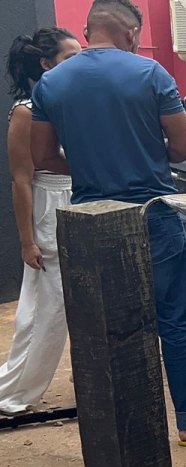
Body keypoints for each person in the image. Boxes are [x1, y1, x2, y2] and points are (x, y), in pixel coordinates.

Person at [29, 0, 186, 446]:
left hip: (90, 220)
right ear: (130, 33)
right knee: (176, 322)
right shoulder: (151, 74)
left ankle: (119, 432)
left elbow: (43, 157)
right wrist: (140, 156)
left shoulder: (52, 82)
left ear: (87, 32)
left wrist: (90, 166)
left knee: (105, 326)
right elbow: (182, 149)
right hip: (152, 212)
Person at [0, 28, 81, 415]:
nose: (79, 63)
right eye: (69, 58)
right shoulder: (26, 112)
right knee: (48, 306)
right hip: (50, 204)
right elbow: (21, 179)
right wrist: (27, 240)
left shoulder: (74, 101)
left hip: (82, 200)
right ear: (46, 65)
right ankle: (13, 392)